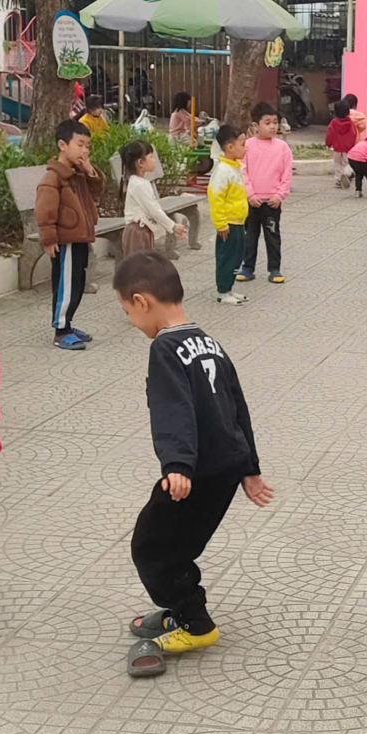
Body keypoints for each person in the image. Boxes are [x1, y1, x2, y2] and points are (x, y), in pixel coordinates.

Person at [116, 251, 275, 678]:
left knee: (151, 547)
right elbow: (237, 406)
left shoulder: (164, 348)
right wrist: (250, 468)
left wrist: (178, 464)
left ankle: (195, 624)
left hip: (194, 472)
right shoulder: (210, 343)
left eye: (128, 312)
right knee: (178, 546)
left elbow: (175, 409)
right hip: (225, 468)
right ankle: (182, 608)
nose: (131, 321)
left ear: (142, 301)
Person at [34, 119, 103, 349]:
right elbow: (45, 210)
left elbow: (98, 191)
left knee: (77, 283)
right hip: (66, 241)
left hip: (80, 237)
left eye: (87, 146)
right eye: (80, 144)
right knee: (66, 285)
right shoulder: (53, 177)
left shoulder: (78, 173)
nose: (85, 151)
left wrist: (90, 170)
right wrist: (48, 238)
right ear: (63, 145)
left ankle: (68, 324)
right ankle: (61, 331)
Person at [238, 102, 294, 285]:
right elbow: (242, 171)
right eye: (267, 122)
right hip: (252, 202)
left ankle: (275, 269)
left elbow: (286, 174)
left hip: (272, 203)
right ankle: (247, 267)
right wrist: (250, 195)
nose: (272, 126)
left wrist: (279, 195)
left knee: (273, 236)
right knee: (249, 236)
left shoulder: (283, 148)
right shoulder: (247, 146)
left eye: (275, 122)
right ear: (255, 125)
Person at [119, 139, 188, 258]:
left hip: (143, 230)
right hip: (137, 233)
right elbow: (153, 210)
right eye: (151, 157)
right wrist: (173, 226)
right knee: (137, 266)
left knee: (143, 265)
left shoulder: (140, 182)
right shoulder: (138, 185)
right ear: (141, 163)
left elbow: (154, 208)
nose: (154, 160)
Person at [207, 124, 251, 305]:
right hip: (228, 224)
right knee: (227, 258)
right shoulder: (223, 171)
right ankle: (222, 291)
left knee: (236, 258)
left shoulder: (235, 168)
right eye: (242, 144)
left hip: (238, 222)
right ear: (230, 147)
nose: (246, 148)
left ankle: (229, 289)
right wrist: (221, 224)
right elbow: (215, 198)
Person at [325, 94, 360, 188]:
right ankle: (346, 173)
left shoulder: (333, 123)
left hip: (337, 148)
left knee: (337, 164)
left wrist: (328, 143)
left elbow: (329, 134)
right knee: (348, 164)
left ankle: (338, 180)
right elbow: (354, 135)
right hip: (348, 148)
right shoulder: (350, 123)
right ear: (348, 112)